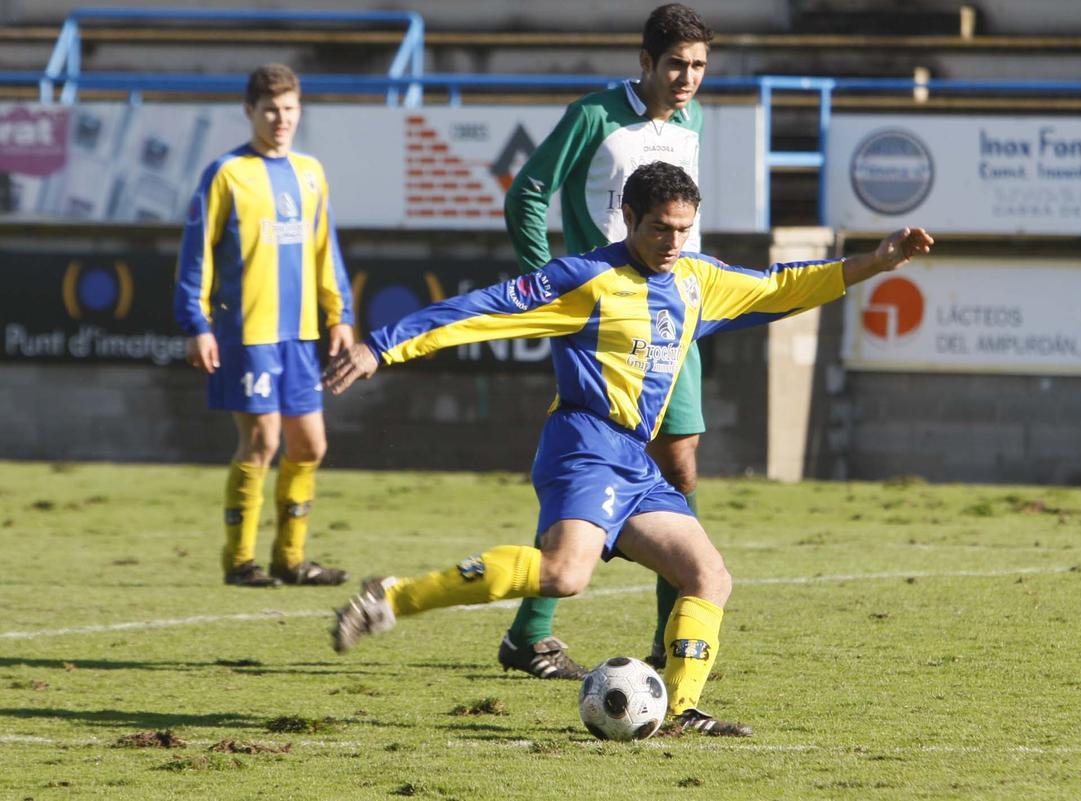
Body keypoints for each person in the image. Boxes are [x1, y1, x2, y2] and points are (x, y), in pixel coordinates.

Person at [324, 161, 934, 736]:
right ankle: (393, 598)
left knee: (708, 576)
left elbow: (782, 285)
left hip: (635, 460)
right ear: (629, 218)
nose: (673, 242)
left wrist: (876, 261)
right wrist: (382, 346)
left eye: (684, 230)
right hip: (584, 443)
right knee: (565, 575)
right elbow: (482, 310)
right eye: (661, 228)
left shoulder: (696, 280)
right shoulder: (585, 280)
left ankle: (683, 706)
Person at [500, 2, 713, 680]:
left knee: (679, 474)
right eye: (675, 63)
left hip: (673, 324)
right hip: (603, 330)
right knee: (591, 473)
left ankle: (666, 641)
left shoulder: (693, 122)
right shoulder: (594, 116)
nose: (686, 78)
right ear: (644, 61)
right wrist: (551, 284)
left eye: (699, 66)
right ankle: (530, 634)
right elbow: (527, 193)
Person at [174, 63, 354, 588]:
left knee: (311, 446)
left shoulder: (311, 172)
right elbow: (196, 256)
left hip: (299, 336)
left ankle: (291, 560)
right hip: (247, 334)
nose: (281, 119)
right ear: (249, 111)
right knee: (261, 441)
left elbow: (326, 250)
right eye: (271, 109)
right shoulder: (225, 173)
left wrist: (339, 313)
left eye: (290, 108)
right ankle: (240, 562)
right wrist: (197, 323)